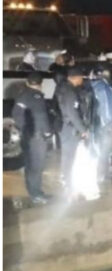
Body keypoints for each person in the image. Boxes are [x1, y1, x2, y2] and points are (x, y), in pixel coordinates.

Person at [12, 72, 53, 204]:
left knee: (30, 165)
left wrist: (24, 130)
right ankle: (36, 194)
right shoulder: (36, 97)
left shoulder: (22, 96)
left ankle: (33, 191)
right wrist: (47, 133)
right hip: (37, 137)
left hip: (28, 136)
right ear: (41, 84)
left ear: (27, 82)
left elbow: (16, 116)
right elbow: (42, 118)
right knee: (37, 166)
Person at [55, 67, 89, 190]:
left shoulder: (64, 88)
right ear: (76, 78)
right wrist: (83, 130)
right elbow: (72, 113)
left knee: (67, 155)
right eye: (81, 78)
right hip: (70, 128)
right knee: (69, 155)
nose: (82, 80)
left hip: (67, 126)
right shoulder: (70, 92)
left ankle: (66, 178)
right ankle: (66, 179)